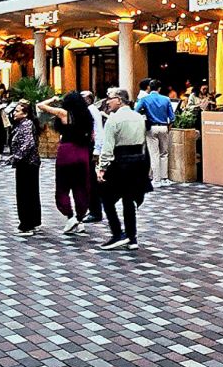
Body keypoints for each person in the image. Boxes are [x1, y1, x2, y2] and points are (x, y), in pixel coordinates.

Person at [97, 88, 150, 250]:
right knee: (129, 200)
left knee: (106, 198)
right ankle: (132, 237)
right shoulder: (139, 118)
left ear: (119, 100)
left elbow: (107, 148)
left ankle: (117, 233)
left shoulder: (114, 120)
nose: (107, 101)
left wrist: (102, 168)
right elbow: (143, 143)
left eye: (110, 98)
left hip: (119, 163)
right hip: (137, 163)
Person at [38, 90, 94, 232]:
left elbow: (40, 105)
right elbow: (92, 137)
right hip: (82, 152)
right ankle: (80, 218)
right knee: (81, 187)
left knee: (63, 186)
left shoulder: (64, 113)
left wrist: (52, 99)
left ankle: (70, 216)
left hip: (67, 152)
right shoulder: (87, 116)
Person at [6, 100, 41, 235]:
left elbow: (28, 143)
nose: (14, 113)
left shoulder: (26, 124)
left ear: (25, 114)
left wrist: (17, 156)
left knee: (25, 193)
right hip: (28, 163)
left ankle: (27, 224)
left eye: (17, 111)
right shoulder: (21, 123)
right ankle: (33, 221)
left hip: (27, 163)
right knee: (30, 192)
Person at [138, 78, 175, 186]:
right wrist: (169, 126)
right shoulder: (166, 99)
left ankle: (156, 179)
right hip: (164, 127)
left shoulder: (145, 99)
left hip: (151, 128)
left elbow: (136, 110)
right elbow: (172, 117)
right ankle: (165, 178)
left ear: (150, 88)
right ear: (159, 88)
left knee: (154, 154)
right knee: (164, 153)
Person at [82, 90, 107, 224]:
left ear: (89, 99)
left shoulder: (91, 111)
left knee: (91, 180)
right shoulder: (90, 110)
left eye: (83, 97)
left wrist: (97, 149)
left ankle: (95, 210)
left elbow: (97, 130)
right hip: (93, 147)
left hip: (93, 147)